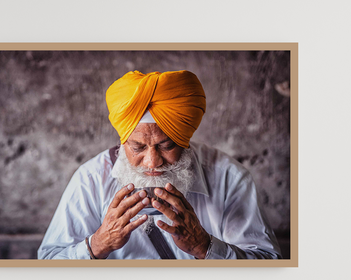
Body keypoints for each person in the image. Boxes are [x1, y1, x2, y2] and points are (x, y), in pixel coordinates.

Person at [37, 69, 282, 260]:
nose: (152, 162)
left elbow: (267, 263)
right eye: (138, 147)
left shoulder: (229, 178)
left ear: (185, 140)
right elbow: (48, 262)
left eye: (167, 146)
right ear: (122, 142)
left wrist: (204, 247)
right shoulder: (91, 178)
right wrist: (98, 244)